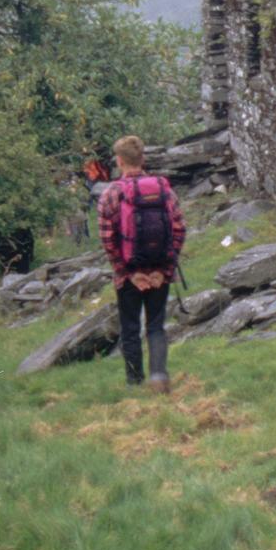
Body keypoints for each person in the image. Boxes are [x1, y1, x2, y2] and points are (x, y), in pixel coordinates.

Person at [97, 136, 185, 393]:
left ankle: (134, 383)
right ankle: (158, 375)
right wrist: (163, 271)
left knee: (130, 328)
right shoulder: (164, 190)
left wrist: (127, 273)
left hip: (129, 276)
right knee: (156, 326)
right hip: (159, 272)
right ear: (143, 159)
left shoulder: (111, 194)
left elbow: (107, 239)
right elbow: (179, 229)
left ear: (119, 161)